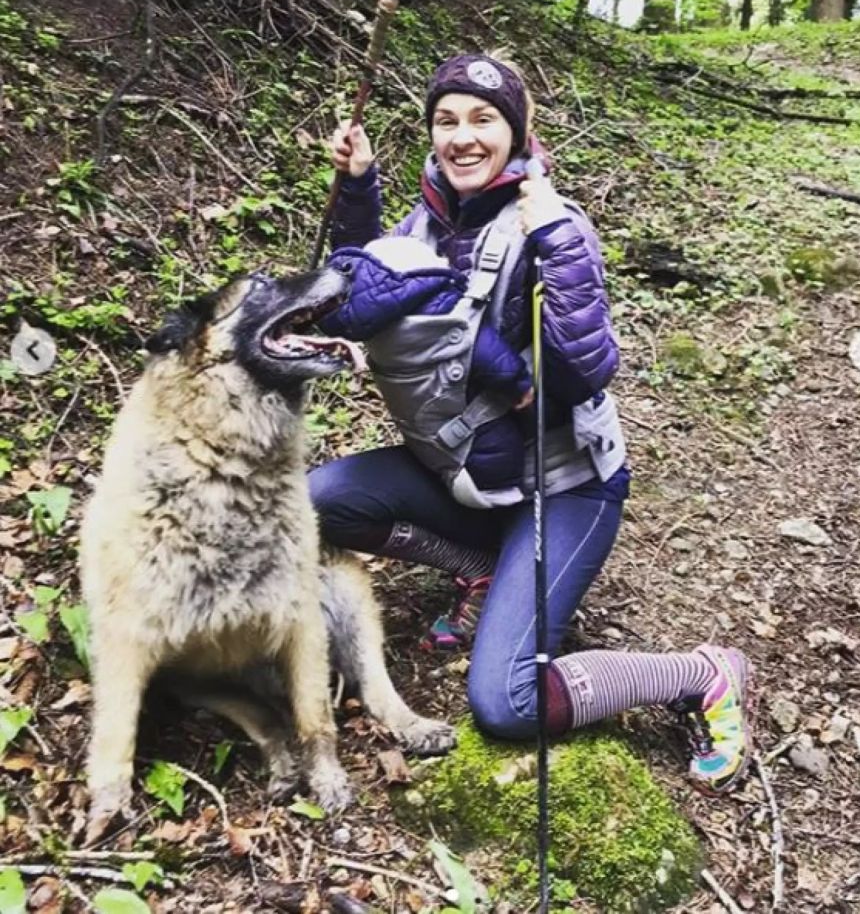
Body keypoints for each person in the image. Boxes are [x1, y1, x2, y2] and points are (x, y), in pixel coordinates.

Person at [309, 52, 752, 793]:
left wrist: (563, 250)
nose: (463, 137)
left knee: (505, 702)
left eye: (484, 119)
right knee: (319, 501)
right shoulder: (422, 224)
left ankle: (701, 672)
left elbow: (582, 377)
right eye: (447, 120)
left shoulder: (551, 225)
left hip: (565, 486)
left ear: (517, 133)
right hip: (469, 474)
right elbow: (361, 284)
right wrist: (357, 190)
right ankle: (485, 569)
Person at [317, 234, 534, 510]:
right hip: (484, 462)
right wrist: (518, 383)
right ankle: (502, 517)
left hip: (432, 448)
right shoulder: (443, 310)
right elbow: (487, 352)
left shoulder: (371, 324)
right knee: (498, 439)